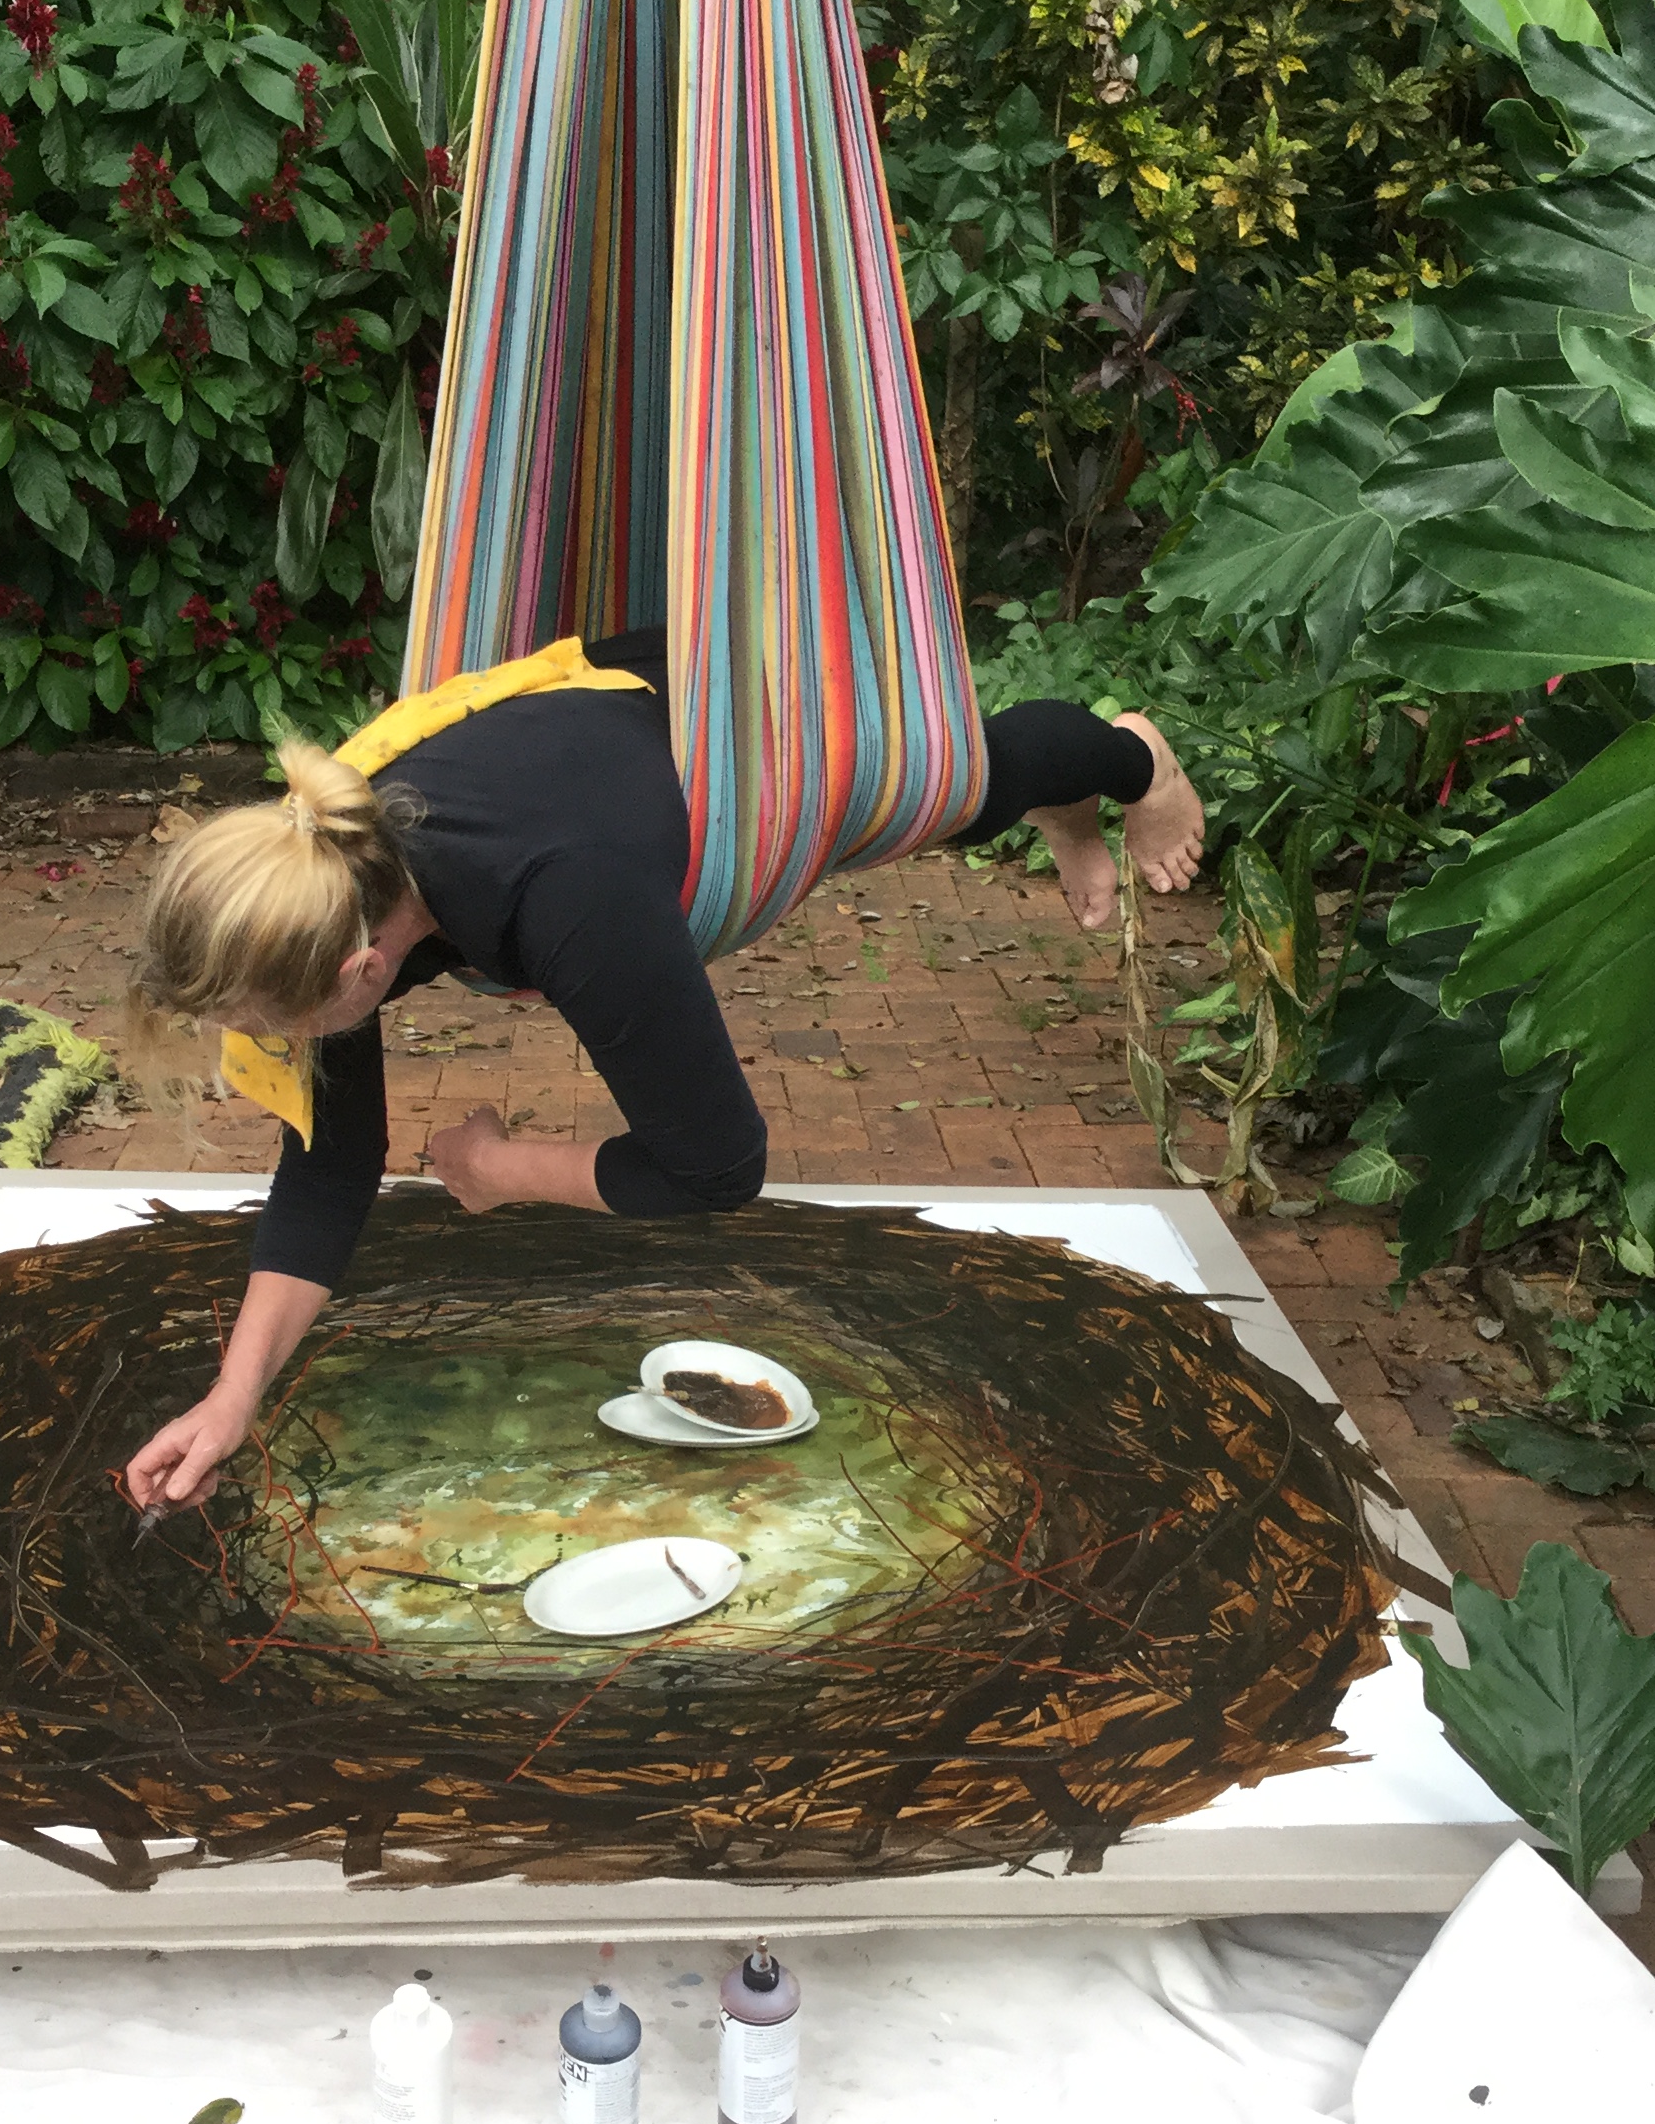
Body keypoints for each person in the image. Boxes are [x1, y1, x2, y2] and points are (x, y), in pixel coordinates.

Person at [118, 627, 1202, 1516]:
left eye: (274, 1029)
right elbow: (328, 1167)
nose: (269, 1046)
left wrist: (502, 1169)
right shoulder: (326, 869)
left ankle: (1132, 761)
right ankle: (1066, 802)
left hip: (734, 742)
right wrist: (231, 1398)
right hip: (595, 737)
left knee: (952, 790)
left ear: (362, 973)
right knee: (968, 794)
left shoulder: (571, 903)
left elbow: (715, 1166)